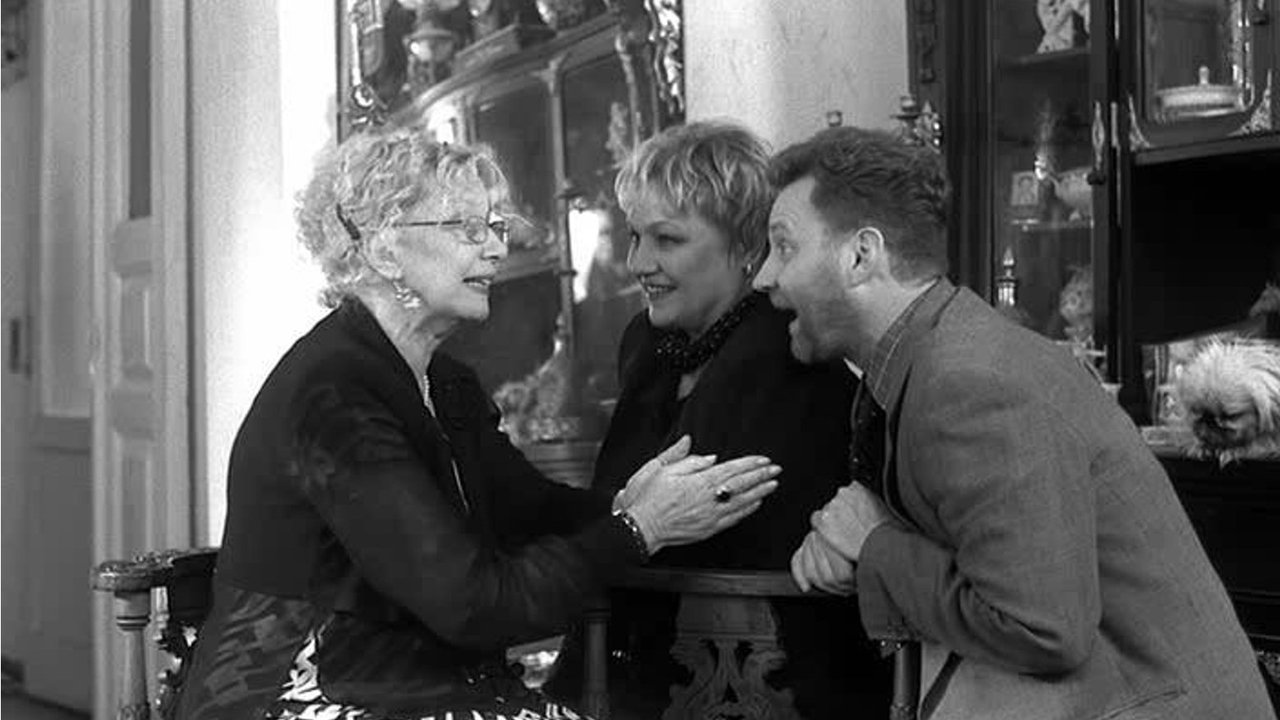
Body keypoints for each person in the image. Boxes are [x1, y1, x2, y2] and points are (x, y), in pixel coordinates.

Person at [174, 124, 783, 720]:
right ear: (384, 249)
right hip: (302, 697)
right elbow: (472, 604)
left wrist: (636, 506)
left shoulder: (445, 382)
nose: (496, 248)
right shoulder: (332, 393)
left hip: (420, 689)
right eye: (468, 229)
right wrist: (638, 527)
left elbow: (534, 510)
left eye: (494, 227)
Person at [753, 125, 1274, 719]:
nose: (764, 277)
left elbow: (1039, 627)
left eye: (784, 247)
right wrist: (865, 536)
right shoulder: (935, 358)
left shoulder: (969, 382)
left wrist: (873, 548)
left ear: (860, 256)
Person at [545, 121, 890, 719]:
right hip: (640, 661)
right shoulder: (650, 345)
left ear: (746, 246)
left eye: (667, 239)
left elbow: (696, 541)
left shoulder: (786, 347)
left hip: (775, 681)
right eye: (634, 236)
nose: (638, 262)